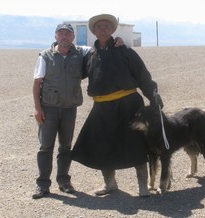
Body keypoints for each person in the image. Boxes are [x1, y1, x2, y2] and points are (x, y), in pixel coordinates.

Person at [71, 14, 163, 197]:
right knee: (103, 145)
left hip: (128, 105)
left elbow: (143, 76)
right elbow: (73, 70)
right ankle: (110, 184)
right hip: (102, 108)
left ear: (112, 30)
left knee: (136, 145)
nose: (103, 29)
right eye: (99, 27)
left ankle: (143, 186)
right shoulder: (90, 55)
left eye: (107, 27)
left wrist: (153, 96)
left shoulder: (125, 51)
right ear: (94, 32)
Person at [32, 23, 123, 199]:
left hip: (69, 109)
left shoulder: (81, 53)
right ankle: (42, 185)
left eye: (68, 34)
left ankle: (64, 181)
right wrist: (37, 108)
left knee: (66, 147)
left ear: (73, 37)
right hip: (49, 109)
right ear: (55, 36)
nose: (64, 37)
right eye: (61, 34)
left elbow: (100, 46)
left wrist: (117, 41)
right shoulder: (45, 56)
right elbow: (36, 84)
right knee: (45, 147)